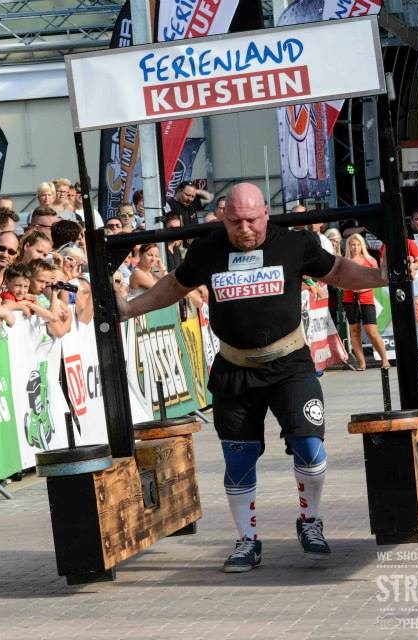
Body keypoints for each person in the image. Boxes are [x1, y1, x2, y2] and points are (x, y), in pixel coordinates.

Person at [119, 182, 387, 573]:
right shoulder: (208, 248)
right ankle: (247, 540)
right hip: (235, 370)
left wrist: (382, 277)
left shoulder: (293, 244)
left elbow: (338, 271)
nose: (244, 229)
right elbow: (175, 285)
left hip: (290, 364)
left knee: (310, 448)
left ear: (265, 213)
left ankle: (310, 521)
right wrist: (129, 309)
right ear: (223, 217)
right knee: (238, 459)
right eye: (235, 222)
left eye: (251, 220)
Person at [342, 233, 390, 371]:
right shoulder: (344, 261)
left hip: (366, 298)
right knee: (354, 331)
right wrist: (349, 287)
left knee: (371, 330)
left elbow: (377, 280)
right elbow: (339, 283)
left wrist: (363, 287)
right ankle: (361, 363)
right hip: (349, 298)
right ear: (349, 246)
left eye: (358, 244)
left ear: (362, 246)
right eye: (353, 245)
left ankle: (385, 360)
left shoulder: (370, 260)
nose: (355, 247)